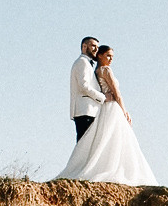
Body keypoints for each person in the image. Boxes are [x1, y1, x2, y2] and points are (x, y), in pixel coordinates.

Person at [54, 45, 158, 185]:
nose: (111, 59)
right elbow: (117, 94)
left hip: (103, 108)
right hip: (112, 107)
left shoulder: (96, 71)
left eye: (112, 57)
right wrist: (124, 110)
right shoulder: (105, 70)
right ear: (100, 55)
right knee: (117, 138)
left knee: (105, 138)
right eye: (108, 55)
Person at [70, 36, 106, 141]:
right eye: (93, 46)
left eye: (97, 47)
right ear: (84, 47)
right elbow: (84, 86)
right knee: (83, 146)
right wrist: (102, 97)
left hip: (89, 111)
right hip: (85, 111)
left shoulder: (87, 63)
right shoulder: (82, 62)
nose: (96, 49)